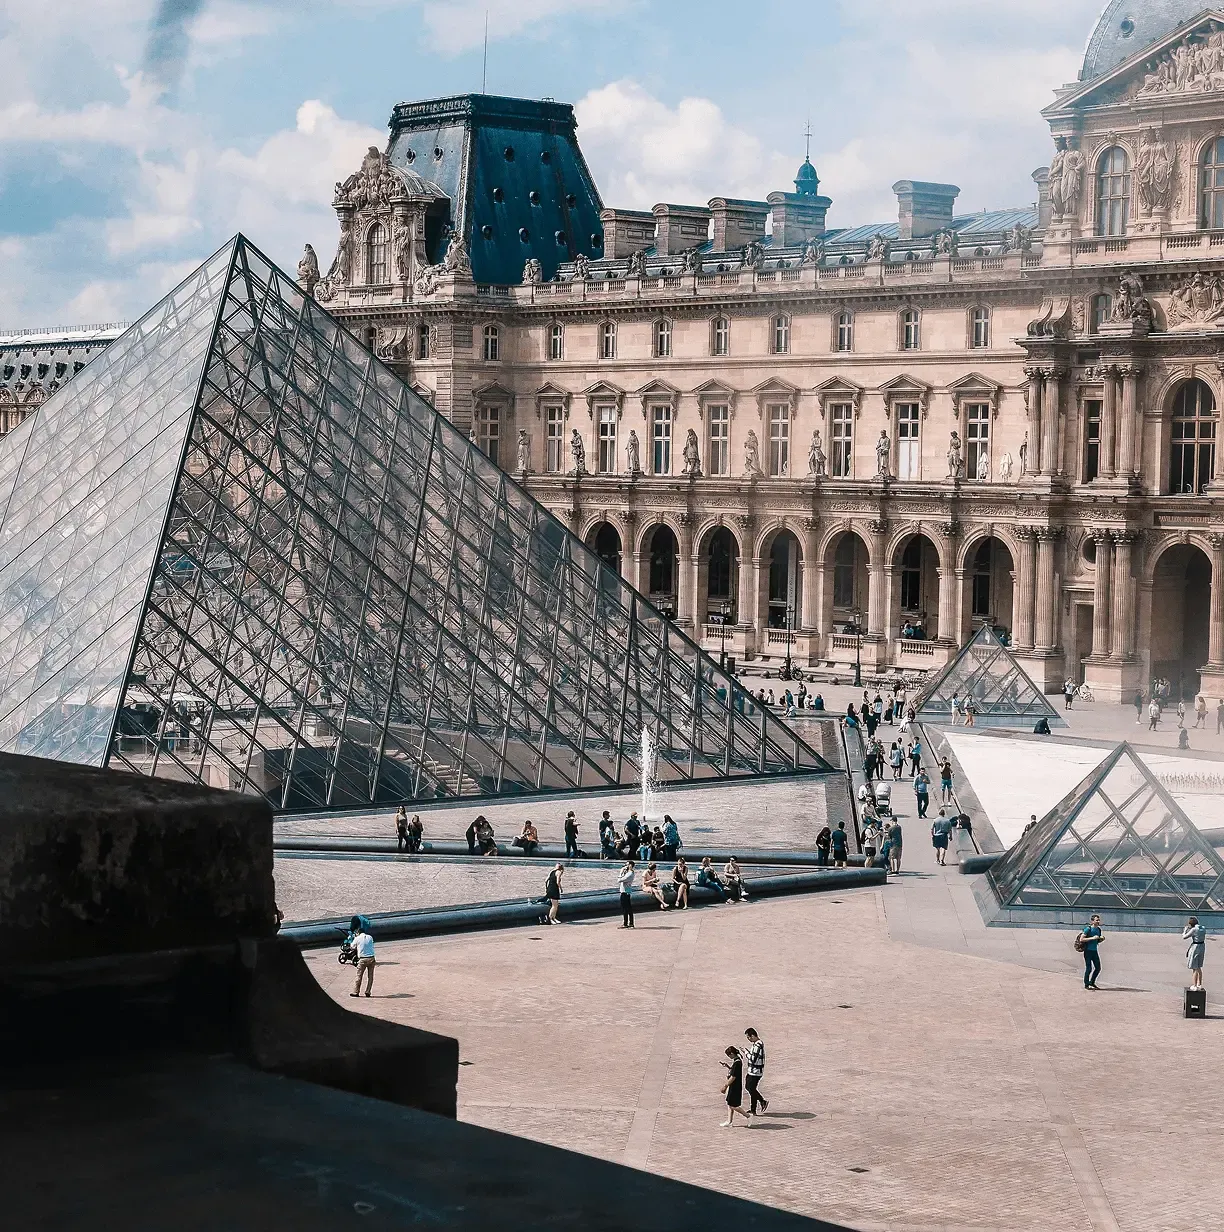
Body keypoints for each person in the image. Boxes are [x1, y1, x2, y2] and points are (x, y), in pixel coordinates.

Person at [348, 916, 375, 998]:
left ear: (358, 932)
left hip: (362, 959)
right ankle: (368, 992)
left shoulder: (357, 938)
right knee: (370, 977)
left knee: (359, 976)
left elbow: (352, 947)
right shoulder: (370, 937)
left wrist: (354, 939)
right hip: (372, 958)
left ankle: (356, 992)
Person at [720, 1046, 748, 1127]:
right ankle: (729, 1121)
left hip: (735, 1086)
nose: (729, 1057)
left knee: (734, 1105)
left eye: (729, 1055)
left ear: (732, 1054)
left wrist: (725, 1086)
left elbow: (733, 1076)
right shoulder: (737, 1061)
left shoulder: (737, 1063)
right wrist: (728, 1067)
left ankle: (747, 1116)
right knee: (729, 1103)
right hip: (734, 1086)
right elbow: (733, 1071)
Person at [743, 1028, 768, 1117]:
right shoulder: (756, 1044)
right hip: (752, 1071)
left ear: (753, 1036)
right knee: (750, 1088)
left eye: (748, 1037)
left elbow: (753, 1059)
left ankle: (762, 1101)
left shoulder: (758, 1045)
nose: (748, 1039)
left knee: (751, 1088)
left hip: (756, 1072)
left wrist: (746, 1053)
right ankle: (753, 1109)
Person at [1079, 914, 1103, 989]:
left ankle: (1092, 982)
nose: (1098, 921)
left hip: (1094, 951)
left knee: (1098, 968)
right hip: (1088, 951)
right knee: (1089, 968)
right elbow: (1081, 939)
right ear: (1092, 921)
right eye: (1097, 920)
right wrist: (1092, 938)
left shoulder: (1098, 929)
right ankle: (1086, 984)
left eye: (1099, 920)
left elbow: (1097, 941)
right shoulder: (1088, 929)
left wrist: (1100, 939)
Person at [1183, 916, 1207, 991]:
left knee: (1195, 967)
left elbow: (1184, 937)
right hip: (1202, 946)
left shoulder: (1193, 930)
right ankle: (1199, 984)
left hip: (1195, 947)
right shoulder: (1203, 928)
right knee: (1199, 966)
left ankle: (1194, 985)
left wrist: (1185, 931)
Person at [617, 860, 636, 928]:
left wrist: (621, 872)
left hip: (625, 892)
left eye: (627, 865)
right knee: (628, 908)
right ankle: (631, 923)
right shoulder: (630, 873)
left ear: (630, 865)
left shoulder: (629, 874)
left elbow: (619, 880)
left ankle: (625, 923)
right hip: (627, 891)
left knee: (625, 908)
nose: (625, 866)